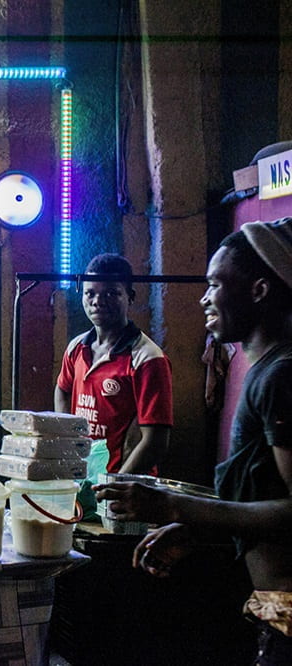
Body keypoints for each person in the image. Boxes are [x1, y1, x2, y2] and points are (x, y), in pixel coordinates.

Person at [96, 218, 292, 665]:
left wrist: (175, 506)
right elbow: (264, 495)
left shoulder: (281, 377)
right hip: (272, 608)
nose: (203, 298)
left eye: (215, 284)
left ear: (259, 290)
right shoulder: (267, 372)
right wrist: (200, 529)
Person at [54, 253, 174, 474]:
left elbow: (155, 442)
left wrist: (115, 484)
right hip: (83, 477)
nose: (98, 301)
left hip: (125, 485)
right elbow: (62, 390)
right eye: (90, 293)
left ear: (130, 296)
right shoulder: (76, 348)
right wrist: (67, 441)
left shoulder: (147, 359)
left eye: (111, 293)